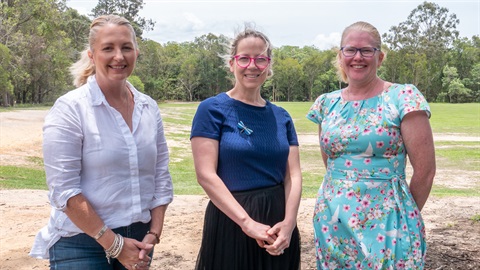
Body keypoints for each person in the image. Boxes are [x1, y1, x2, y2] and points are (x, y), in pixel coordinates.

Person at [29, 14, 173, 270]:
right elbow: (64, 192)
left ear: (136, 53)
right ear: (92, 55)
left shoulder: (149, 107)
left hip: (139, 242)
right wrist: (115, 245)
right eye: (108, 48)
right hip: (81, 244)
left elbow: (160, 176)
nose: (119, 56)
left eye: (126, 47)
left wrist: (153, 234)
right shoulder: (70, 109)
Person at [306, 21, 436, 269]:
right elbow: (331, 163)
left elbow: (425, 171)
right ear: (340, 55)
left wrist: (405, 215)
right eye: (350, 50)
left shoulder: (402, 97)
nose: (358, 57)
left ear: (380, 57)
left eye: (367, 50)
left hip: (388, 220)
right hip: (333, 219)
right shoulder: (326, 103)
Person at [190, 26, 302, 270]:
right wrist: (247, 223)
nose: (252, 65)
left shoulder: (281, 116)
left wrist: (289, 223)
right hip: (232, 221)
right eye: (244, 58)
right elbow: (205, 175)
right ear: (232, 63)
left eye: (260, 59)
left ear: (269, 66)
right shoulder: (212, 109)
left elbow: (292, 175)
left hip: (278, 227)